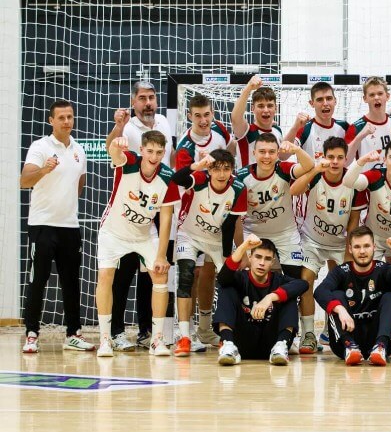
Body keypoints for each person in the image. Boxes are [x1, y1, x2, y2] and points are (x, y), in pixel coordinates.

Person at [105, 81, 176, 351]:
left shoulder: (164, 122)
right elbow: (111, 149)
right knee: (123, 273)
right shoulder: (128, 125)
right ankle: (116, 331)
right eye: (143, 98)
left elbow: (168, 161)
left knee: (153, 272)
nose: (148, 103)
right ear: (133, 102)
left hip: (157, 205)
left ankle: (147, 331)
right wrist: (118, 127)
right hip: (130, 207)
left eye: (151, 97)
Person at [20, 99, 94, 353]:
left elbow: (79, 184)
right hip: (42, 225)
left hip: (69, 226)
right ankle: (32, 334)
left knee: (71, 282)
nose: (66, 121)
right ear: (51, 120)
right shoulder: (40, 147)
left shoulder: (79, 150)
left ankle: (73, 334)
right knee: (37, 281)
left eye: (69, 117)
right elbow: (24, 181)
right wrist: (44, 170)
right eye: (61, 117)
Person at [95, 133, 179, 357]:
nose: (154, 156)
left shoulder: (168, 177)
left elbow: (166, 218)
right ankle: (105, 339)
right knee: (105, 276)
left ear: (164, 153)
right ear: (141, 150)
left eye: (159, 152)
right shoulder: (129, 161)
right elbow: (114, 154)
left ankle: (157, 340)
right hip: (114, 231)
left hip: (144, 234)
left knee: (160, 275)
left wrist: (161, 255)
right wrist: (116, 144)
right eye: (150, 151)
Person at [289, 137, 366, 353]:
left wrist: (350, 249)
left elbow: (354, 219)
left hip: (340, 243)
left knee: (342, 286)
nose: (334, 161)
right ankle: (308, 334)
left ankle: (331, 331)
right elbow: (293, 191)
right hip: (312, 240)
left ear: (346, 159)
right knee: (305, 282)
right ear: (323, 156)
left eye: (340, 157)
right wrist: (314, 170)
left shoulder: (354, 182)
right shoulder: (316, 176)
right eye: (330, 156)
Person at [171, 149, 247, 356]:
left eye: (226, 169)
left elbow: (230, 225)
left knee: (228, 282)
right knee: (186, 276)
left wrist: (226, 257)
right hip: (189, 234)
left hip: (216, 239)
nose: (221, 174)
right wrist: (195, 166)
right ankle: (184, 336)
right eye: (216, 169)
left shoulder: (239, 189)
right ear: (210, 170)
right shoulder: (199, 179)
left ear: (232, 170)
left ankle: (225, 335)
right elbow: (176, 179)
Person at [314, 227, 391, 366]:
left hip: (378, 338)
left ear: (374, 247)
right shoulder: (341, 271)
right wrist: (340, 309)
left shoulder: (382, 269)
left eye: (366, 246)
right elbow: (320, 291)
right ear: (350, 249)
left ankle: (380, 347)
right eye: (357, 247)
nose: (362, 251)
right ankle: (350, 347)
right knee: (336, 296)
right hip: (344, 341)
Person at [214, 235, 308, 366]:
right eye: (258, 257)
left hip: (271, 344)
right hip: (241, 343)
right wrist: (243, 246)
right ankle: (228, 345)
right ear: (250, 257)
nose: (262, 263)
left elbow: (303, 284)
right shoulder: (240, 278)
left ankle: (282, 345)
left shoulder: (278, 280)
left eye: (267, 259)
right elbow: (222, 278)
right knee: (226, 287)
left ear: (273, 262)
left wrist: (270, 297)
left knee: (289, 294)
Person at [235, 133, 314, 276]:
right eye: (262, 151)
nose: (267, 156)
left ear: (278, 154)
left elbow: (309, 165)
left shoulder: (282, 169)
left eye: (271, 152)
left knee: (295, 279)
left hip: (285, 234)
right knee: (251, 278)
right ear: (254, 153)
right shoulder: (241, 177)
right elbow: (234, 219)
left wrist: (296, 149)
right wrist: (242, 251)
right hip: (252, 233)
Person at [344, 77, 391, 170]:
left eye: (380, 94)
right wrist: (360, 136)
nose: (376, 97)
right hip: (367, 178)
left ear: (387, 96)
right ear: (365, 99)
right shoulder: (356, 127)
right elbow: (345, 162)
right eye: (372, 95)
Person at [286, 82, 351, 159]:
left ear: (335, 101)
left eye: (329, 98)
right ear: (312, 103)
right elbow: (283, 156)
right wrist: (294, 128)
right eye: (320, 100)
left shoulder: (344, 126)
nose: (325, 103)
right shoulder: (305, 128)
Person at [230, 75, 283, 167]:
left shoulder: (277, 131)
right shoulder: (246, 132)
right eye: (261, 106)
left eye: (270, 106)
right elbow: (235, 118)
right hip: (247, 176)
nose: (266, 110)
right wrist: (248, 88)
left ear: (276, 108)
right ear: (253, 109)